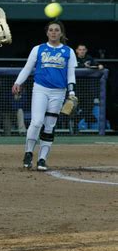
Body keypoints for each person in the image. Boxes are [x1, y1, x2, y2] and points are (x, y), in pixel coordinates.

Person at [12, 20, 77, 171]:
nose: (53, 32)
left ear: (61, 33)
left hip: (59, 92)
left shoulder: (68, 51)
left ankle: (42, 159)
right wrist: (18, 82)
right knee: (36, 122)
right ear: (47, 33)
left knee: (49, 126)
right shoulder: (38, 49)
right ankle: (28, 153)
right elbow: (27, 68)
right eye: (51, 30)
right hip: (41, 89)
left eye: (56, 30)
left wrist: (72, 92)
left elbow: (71, 74)